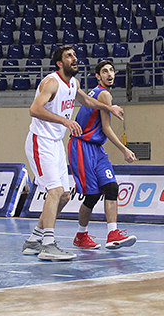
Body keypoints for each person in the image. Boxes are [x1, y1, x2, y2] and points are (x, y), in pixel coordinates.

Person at [21, 45, 124, 261]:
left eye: (75, 55)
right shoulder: (51, 82)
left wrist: (109, 108)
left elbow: (87, 100)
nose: (74, 58)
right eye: (69, 56)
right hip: (41, 141)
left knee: (65, 196)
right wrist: (65, 121)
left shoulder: (73, 83)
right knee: (55, 191)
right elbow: (34, 109)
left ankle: (34, 239)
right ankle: (48, 245)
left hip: (56, 144)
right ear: (60, 63)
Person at [69, 60, 137, 250]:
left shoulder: (97, 93)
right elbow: (106, 128)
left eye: (112, 70)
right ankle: (81, 235)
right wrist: (124, 149)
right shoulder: (104, 94)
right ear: (98, 76)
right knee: (92, 195)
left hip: (97, 148)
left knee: (111, 187)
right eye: (105, 71)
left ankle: (112, 234)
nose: (110, 74)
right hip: (82, 146)